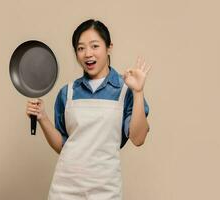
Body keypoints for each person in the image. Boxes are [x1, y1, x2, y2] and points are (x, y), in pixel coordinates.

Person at [26, 19, 151, 200]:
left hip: (105, 189)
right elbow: (63, 145)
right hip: (65, 187)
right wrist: (42, 117)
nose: (87, 54)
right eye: (80, 48)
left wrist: (138, 92)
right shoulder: (67, 92)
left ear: (109, 47)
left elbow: (138, 138)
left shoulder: (126, 90)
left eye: (94, 46)